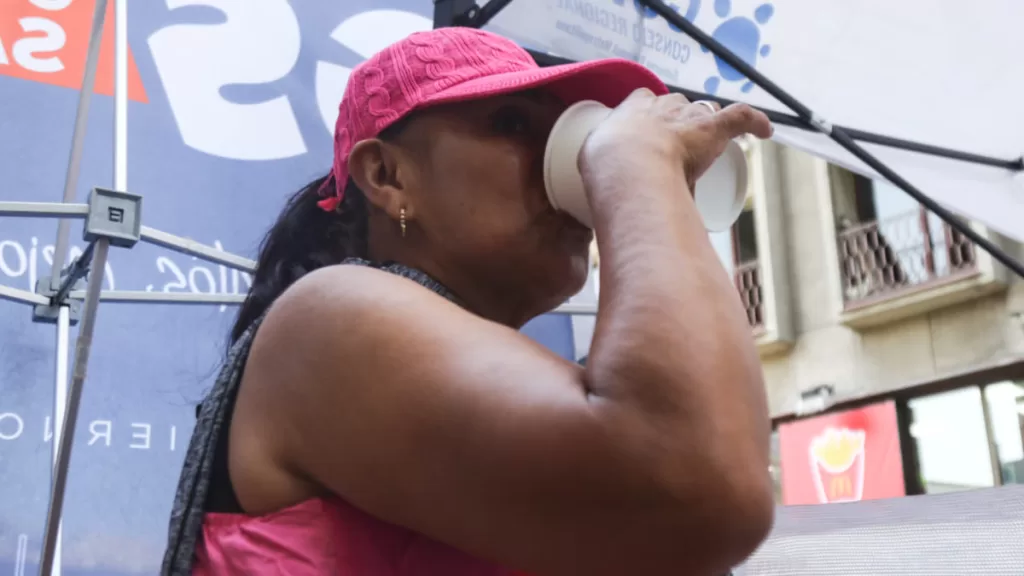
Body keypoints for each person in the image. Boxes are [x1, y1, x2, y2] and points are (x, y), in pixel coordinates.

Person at [162, 26, 774, 576]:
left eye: (574, 131)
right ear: (388, 176)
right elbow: (699, 482)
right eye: (513, 123)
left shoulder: (516, 384)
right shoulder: (327, 316)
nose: (572, 162)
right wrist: (637, 166)